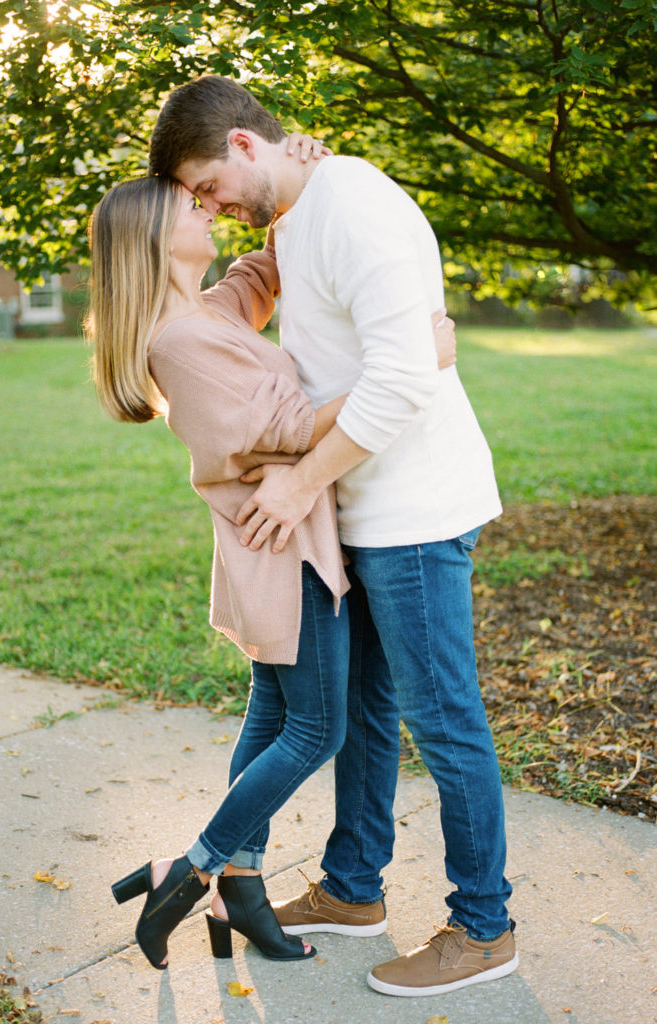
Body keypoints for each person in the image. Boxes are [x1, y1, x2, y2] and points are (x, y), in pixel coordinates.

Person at [149, 75, 517, 998]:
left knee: (444, 721)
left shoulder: (352, 205)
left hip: (413, 511)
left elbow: (403, 379)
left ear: (242, 144)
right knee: (364, 715)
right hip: (356, 510)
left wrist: (299, 480)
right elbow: (293, 318)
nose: (208, 206)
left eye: (206, 185)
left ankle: (484, 927)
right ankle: (354, 889)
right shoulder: (299, 212)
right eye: (196, 201)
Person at [86, 164, 457, 972]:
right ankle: (192, 870)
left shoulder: (206, 312)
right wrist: (410, 361)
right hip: (282, 550)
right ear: (156, 238)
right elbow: (289, 427)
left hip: (279, 543)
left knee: (269, 717)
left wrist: (298, 180)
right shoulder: (177, 342)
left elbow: (261, 271)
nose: (208, 211)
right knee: (315, 729)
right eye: (193, 206)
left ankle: (240, 887)